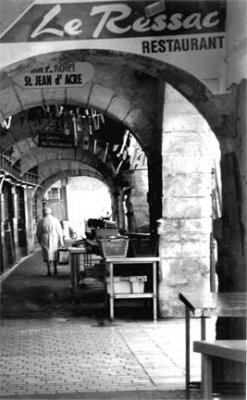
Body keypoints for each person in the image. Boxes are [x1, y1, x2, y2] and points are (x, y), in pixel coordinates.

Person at [36, 207, 64, 276]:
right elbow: (60, 232)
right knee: (55, 253)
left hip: (45, 237)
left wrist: (39, 240)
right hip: (54, 237)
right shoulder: (55, 220)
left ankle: (48, 270)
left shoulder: (41, 221)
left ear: (43, 213)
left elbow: (38, 232)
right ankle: (55, 269)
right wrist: (61, 242)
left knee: (47, 253)